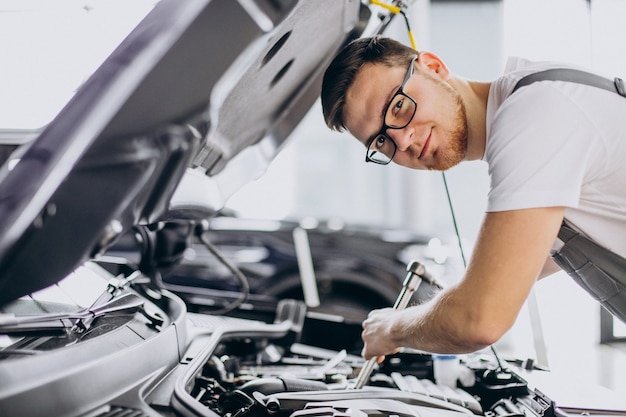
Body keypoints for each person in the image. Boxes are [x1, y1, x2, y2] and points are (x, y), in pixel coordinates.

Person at [320, 36, 626, 360]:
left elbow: (479, 319)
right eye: (381, 140)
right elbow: (526, 259)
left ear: (434, 68)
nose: (403, 138)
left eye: (397, 105)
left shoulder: (531, 115)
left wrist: (391, 329)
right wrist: (457, 292)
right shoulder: (532, 99)